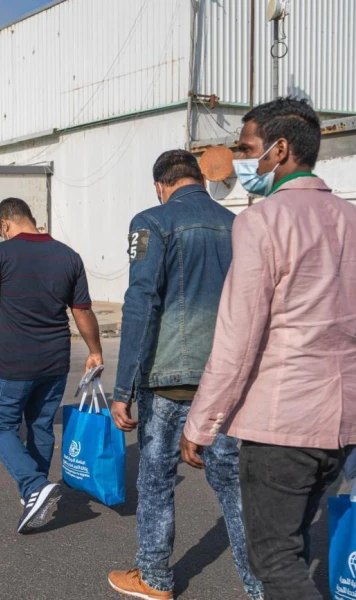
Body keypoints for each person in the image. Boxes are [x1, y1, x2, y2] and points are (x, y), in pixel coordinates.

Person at [180, 97, 356, 600]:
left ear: (279, 151)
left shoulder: (261, 221)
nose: (243, 161)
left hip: (283, 422)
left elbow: (237, 339)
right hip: (340, 427)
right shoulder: (351, 219)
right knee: (294, 543)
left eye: (249, 148)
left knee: (274, 560)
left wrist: (202, 422)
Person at [106, 150, 262, 600]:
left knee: (156, 476)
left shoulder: (151, 221)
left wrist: (124, 389)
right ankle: (260, 586)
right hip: (227, 377)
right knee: (232, 482)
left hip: (169, 376)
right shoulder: (238, 225)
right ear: (199, 178)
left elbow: (141, 303)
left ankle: (154, 576)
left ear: (160, 185)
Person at [0, 198, 104, 534]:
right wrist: (95, 351)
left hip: (15, 362)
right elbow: (82, 311)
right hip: (55, 361)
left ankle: (34, 486)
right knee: (39, 425)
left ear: (5, 225)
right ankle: (34, 497)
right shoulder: (68, 256)